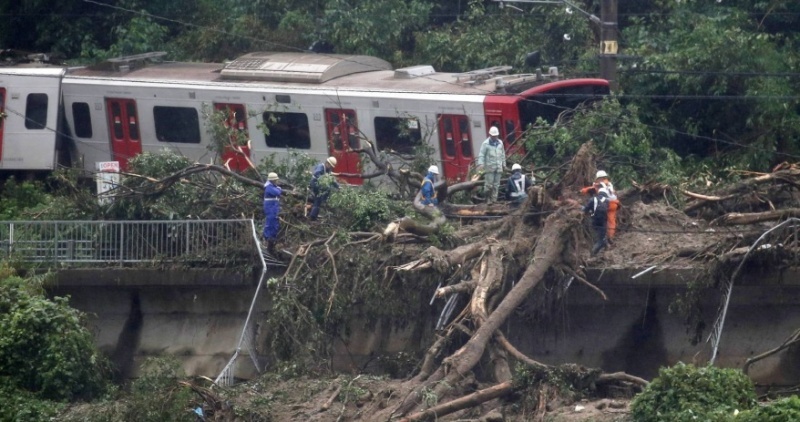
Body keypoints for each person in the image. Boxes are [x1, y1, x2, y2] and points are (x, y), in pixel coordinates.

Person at [581, 170, 619, 243]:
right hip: (614, 204)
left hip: (606, 204)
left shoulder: (599, 184)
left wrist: (583, 190)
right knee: (611, 221)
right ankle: (610, 236)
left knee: (600, 218)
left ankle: (602, 237)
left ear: (599, 178)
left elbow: (591, 188)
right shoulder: (609, 184)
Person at [477, 126, 506, 204]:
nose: (494, 137)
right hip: (490, 168)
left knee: (496, 185)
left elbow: (503, 154)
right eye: (493, 136)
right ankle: (488, 199)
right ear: (490, 135)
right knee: (489, 185)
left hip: (498, 167)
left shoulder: (500, 143)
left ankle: (494, 200)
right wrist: (481, 163)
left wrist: (504, 164)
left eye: (496, 136)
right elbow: (481, 154)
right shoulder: (485, 144)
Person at [582, 182, 610, 256]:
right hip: (603, 222)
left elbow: (585, 209)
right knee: (601, 238)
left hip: (594, 222)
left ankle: (593, 253)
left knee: (597, 238)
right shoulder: (607, 201)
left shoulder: (593, 199)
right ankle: (600, 248)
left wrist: (581, 208)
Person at [309, 156, 340, 220]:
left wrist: (337, 186)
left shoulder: (328, 170)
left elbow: (331, 179)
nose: (331, 167)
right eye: (330, 166)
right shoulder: (321, 167)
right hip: (315, 183)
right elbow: (317, 174)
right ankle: (313, 216)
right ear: (327, 163)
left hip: (320, 184)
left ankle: (321, 203)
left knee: (327, 190)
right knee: (319, 198)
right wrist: (323, 180)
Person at [262, 172, 282, 254]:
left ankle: (273, 238)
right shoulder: (269, 187)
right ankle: (267, 238)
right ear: (273, 180)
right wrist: (279, 189)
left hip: (274, 207)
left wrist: (278, 188)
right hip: (270, 207)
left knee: (275, 222)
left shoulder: (272, 186)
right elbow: (278, 192)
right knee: (270, 222)